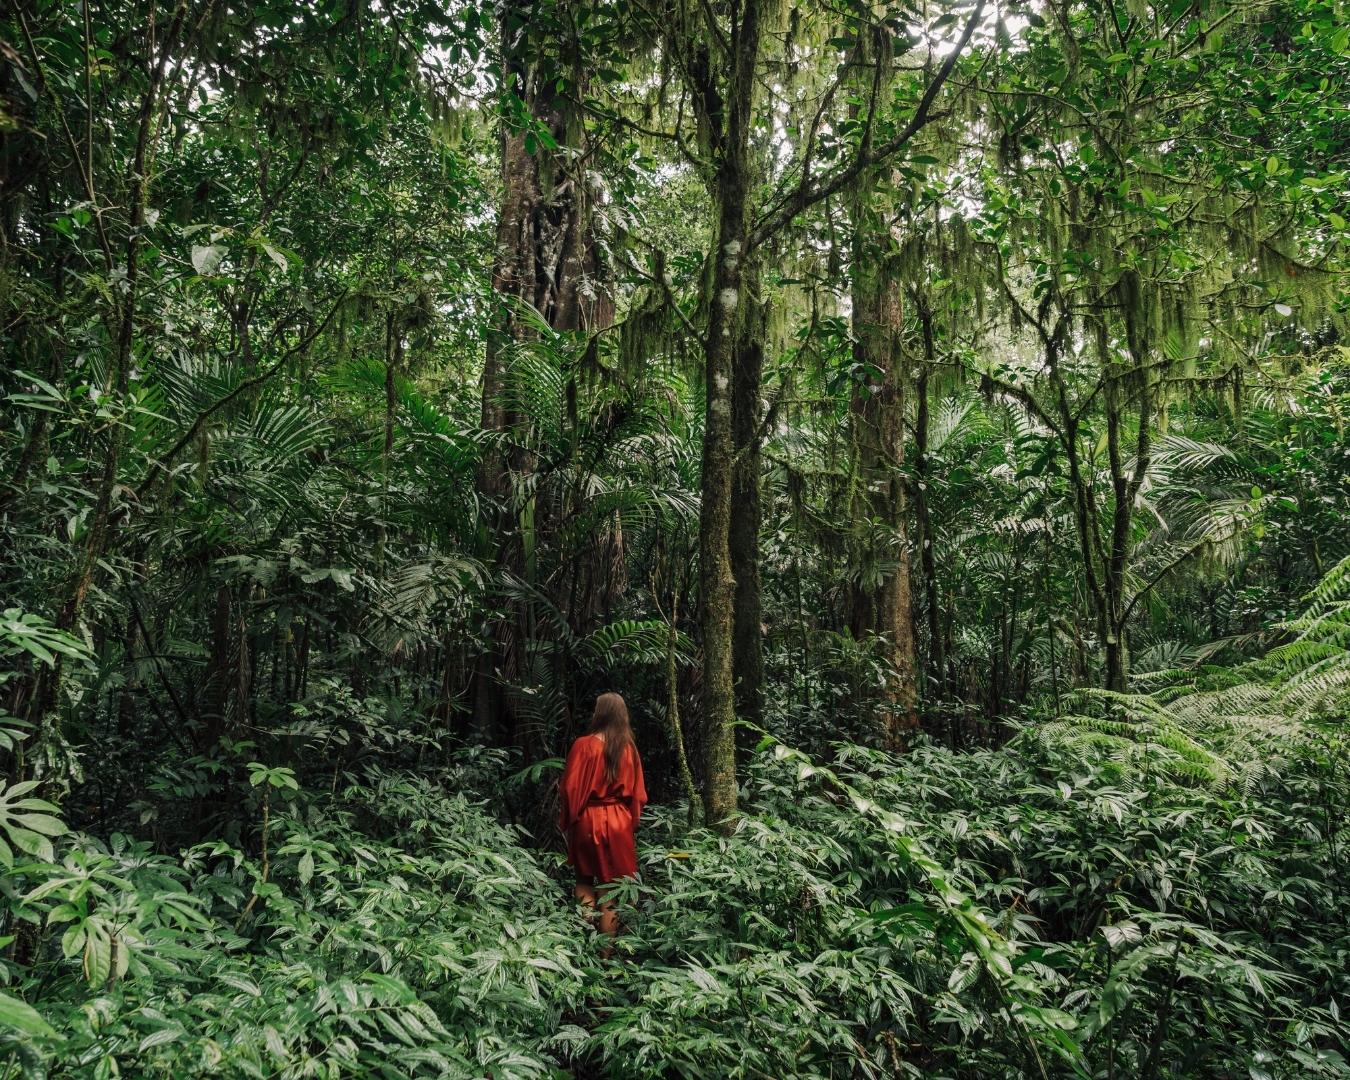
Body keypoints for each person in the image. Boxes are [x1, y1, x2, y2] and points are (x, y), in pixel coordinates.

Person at [558, 692, 647, 938]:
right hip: (619, 820)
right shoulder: (629, 749)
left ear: (600, 714)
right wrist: (630, 822)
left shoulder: (583, 745)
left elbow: (570, 788)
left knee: (584, 880)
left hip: (588, 818)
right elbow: (638, 794)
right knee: (612, 889)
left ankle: (586, 939)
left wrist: (571, 820)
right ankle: (605, 953)